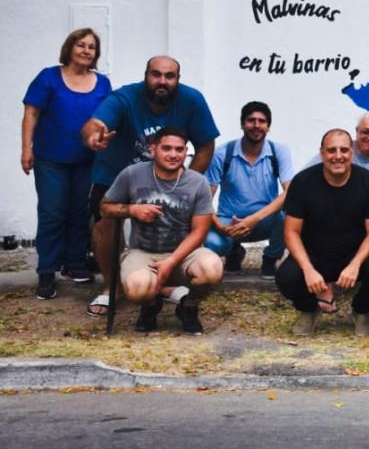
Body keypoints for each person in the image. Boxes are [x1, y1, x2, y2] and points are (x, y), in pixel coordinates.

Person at [80, 55, 219, 317]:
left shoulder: (192, 100)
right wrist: (93, 136)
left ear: (178, 79)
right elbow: (96, 123)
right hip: (117, 172)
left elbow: (206, 144)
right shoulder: (125, 98)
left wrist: (187, 182)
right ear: (146, 76)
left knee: (177, 227)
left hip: (169, 175)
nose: (162, 81)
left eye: (169, 76)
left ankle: (163, 285)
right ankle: (112, 288)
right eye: (156, 74)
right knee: (105, 224)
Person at [100, 127, 222, 334]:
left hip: (185, 253)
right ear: (153, 148)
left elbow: (199, 232)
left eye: (179, 149)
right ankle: (150, 306)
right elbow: (104, 207)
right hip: (142, 252)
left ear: (185, 152)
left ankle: (188, 308)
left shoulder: (197, 182)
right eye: (166, 148)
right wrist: (132, 209)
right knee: (137, 288)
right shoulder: (132, 174)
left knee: (212, 269)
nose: (173, 155)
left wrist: (172, 261)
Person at [21, 28, 111, 298]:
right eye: (81, 45)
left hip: (87, 160)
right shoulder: (49, 77)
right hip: (51, 159)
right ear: (69, 48)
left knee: (79, 213)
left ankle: (74, 263)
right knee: (52, 213)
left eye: (91, 47)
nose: (86, 51)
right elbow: (31, 113)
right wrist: (26, 149)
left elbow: (108, 116)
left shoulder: (103, 83)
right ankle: (47, 271)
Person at [276, 129, 369, 336]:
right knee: (287, 276)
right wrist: (308, 269)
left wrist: (355, 265)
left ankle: (361, 311)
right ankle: (309, 310)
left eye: (344, 150)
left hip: (353, 255)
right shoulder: (302, 183)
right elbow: (291, 232)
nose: (338, 156)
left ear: (352, 152)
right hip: (314, 255)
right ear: (321, 153)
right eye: (331, 150)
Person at [204, 101, 294, 280]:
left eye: (262, 121)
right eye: (251, 120)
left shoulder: (279, 151)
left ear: (268, 126)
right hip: (230, 222)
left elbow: (290, 192)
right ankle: (233, 252)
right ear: (242, 124)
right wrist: (221, 227)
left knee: (288, 216)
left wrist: (254, 219)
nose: (256, 125)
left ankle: (270, 258)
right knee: (211, 243)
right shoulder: (222, 153)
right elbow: (204, 198)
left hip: (265, 221)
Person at [301, 111, 369, 254]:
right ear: (357, 131)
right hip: (334, 220)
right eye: (366, 132)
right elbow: (302, 181)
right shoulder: (338, 153)